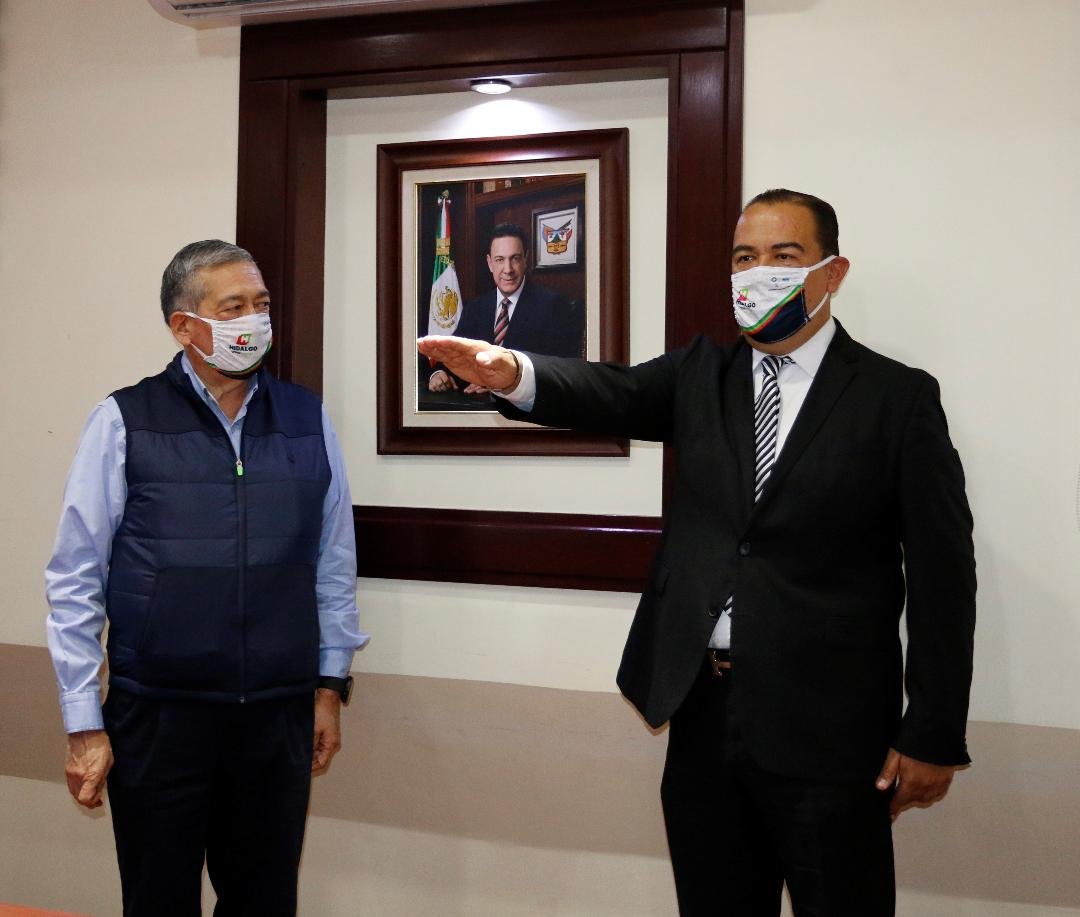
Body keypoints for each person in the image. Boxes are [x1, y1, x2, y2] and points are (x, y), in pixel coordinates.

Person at [418, 189, 976, 917]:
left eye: (783, 255)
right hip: (705, 716)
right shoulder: (700, 375)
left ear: (832, 273)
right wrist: (513, 373)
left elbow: (942, 575)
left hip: (832, 733)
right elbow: (611, 389)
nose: (758, 272)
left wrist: (933, 729)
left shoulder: (896, 398)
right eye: (744, 257)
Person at [45, 240, 369, 917]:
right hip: (158, 717)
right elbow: (75, 577)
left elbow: (333, 560)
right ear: (183, 326)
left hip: (275, 715)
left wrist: (329, 685)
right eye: (233, 307)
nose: (254, 320)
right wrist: (83, 723)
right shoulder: (124, 421)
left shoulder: (306, 419)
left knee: (264, 902)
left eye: (262, 305)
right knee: (159, 901)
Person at [427, 222, 583, 395]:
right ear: (490, 263)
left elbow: (560, 371)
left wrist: (502, 385)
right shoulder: (475, 308)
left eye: (515, 258)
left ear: (525, 259)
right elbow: (455, 354)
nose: (508, 269)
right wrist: (439, 373)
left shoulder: (554, 306)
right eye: (500, 260)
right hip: (477, 406)